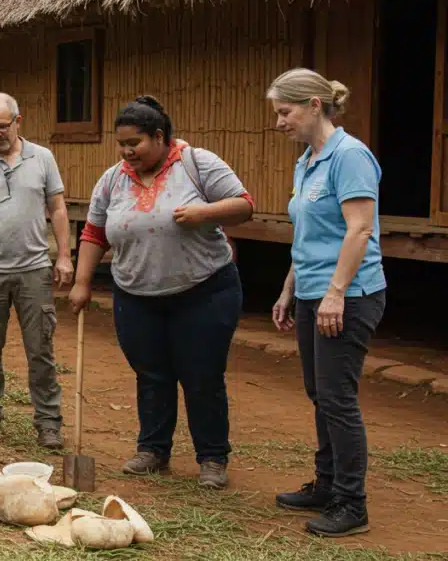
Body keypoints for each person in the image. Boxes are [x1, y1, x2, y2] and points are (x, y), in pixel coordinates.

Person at [68, 96, 254, 490]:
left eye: (134, 143)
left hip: (203, 290)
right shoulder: (113, 179)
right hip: (136, 295)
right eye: (121, 144)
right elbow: (94, 232)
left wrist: (204, 213)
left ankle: (212, 458)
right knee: (151, 374)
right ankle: (153, 449)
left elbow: (243, 206)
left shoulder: (198, 163)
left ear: (159, 136)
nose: (126, 151)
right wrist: (82, 282)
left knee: (202, 375)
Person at [267, 69, 386, 538]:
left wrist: (335, 293)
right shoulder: (308, 159)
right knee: (320, 393)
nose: (279, 122)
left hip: (349, 295)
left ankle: (351, 503)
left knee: (338, 397)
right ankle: (328, 483)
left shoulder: (350, 156)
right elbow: (309, 233)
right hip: (314, 289)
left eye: (285, 111)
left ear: (315, 104)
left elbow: (359, 229)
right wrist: (289, 288)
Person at [0, 92, 74, 449]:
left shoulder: (43, 158)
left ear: (18, 122)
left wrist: (64, 256)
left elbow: (59, 209)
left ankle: (48, 422)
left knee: (40, 348)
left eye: (1, 127)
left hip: (34, 268)